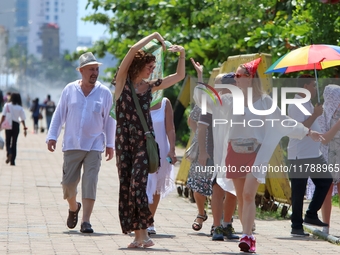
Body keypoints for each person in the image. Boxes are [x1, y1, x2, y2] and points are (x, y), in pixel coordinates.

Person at [193, 58, 325, 253]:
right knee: (241, 196)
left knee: (248, 194)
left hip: (255, 153)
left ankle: (248, 237)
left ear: (251, 78)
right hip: (234, 152)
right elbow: (204, 100)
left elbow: (283, 121)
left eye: (239, 75)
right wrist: (200, 76)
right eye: (235, 75)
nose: (235, 78)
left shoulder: (264, 102)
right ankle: (246, 231)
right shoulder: (229, 99)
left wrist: (307, 132)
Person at [112, 31, 185, 248]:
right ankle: (138, 236)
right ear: (138, 65)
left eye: (153, 68)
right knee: (127, 187)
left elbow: (178, 77)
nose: (152, 70)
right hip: (124, 143)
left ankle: (143, 233)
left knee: (138, 186)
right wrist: (154, 36)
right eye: (149, 66)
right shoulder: (121, 82)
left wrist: (181, 55)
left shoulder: (150, 86)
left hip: (144, 141)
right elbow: (133, 49)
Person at [46, 52, 115, 234]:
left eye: (97, 69)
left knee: (90, 181)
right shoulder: (69, 89)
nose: (95, 72)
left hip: (94, 144)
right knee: (68, 185)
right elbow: (60, 113)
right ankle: (73, 207)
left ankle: (86, 221)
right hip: (72, 143)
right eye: (91, 69)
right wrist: (52, 135)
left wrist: (110, 144)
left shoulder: (104, 92)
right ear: (82, 71)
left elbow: (110, 120)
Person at [190, 58, 239, 240]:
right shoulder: (211, 103)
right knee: (217, 189)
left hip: (235, 152)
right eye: (236, 84)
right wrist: (203, 152)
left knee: (233, 190)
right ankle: (217, 226)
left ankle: (227, 224)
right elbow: (201, 128)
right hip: (215, 152)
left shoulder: (240, 103)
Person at [288, 74, 333, 237]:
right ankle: (296, 226)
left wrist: (316, 112)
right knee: (298, 193)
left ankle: (311, 214)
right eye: (313, 85)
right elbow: (298, 128)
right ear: (306, 87)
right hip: (299, 154)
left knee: (326, 180)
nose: (315, 88)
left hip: (313, 153)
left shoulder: (306, 103)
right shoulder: (295, 105)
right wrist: (315, 114)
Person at [305, 84, 340, 234]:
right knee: (327, 190)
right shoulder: (321, 114)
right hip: (327, 156)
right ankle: (326, 226)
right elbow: (324, 139)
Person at [146, 97, 177, 235]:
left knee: (156, 185)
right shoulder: (135, 98)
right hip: (140, 150)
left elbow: (170, 128)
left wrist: (172, 150)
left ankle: (149, 220)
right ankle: (140, 218)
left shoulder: (165, 103)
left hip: (160, 150)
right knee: (141, 185)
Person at [0, 93, 27, 165]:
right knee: (14, 142)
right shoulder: (20, 108)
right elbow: (22, 119)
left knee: (8, 141)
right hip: (16, 125)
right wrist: (24, 128)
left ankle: (9, 152)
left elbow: (3, 116)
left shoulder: (7, 105)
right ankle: (13, 161)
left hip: (8, 125)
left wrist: (0, 124)